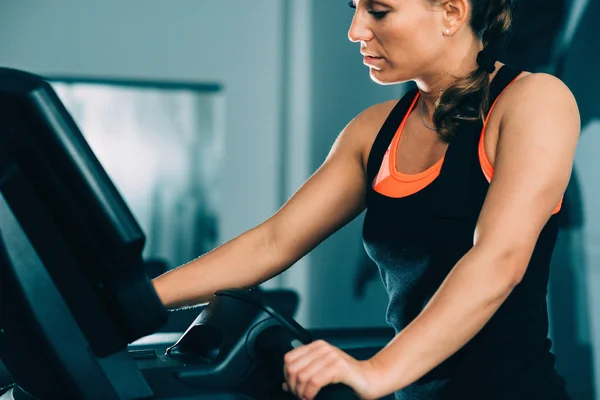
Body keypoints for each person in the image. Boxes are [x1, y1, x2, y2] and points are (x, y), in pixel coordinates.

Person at [152, 0, 580, 398]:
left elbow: (498, 261)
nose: (356, 30)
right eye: (354, 8)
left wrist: (376, 371)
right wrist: (140, 300)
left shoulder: (534, 101)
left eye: (378, 11)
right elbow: (274, 241)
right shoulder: (374, 131)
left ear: (451, 13)